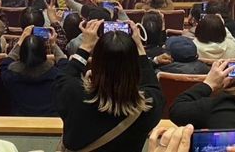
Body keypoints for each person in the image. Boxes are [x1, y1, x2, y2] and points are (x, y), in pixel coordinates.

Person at [53, 19, 163, 152]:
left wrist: (85, 47)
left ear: (95, 63)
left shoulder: (74, 95)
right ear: (134, 68)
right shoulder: (149, 106)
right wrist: (139, 47)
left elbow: (63, 79)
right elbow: (152, 85)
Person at [0, 25, 68, 116]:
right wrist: (53, 45)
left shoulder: (11, 76)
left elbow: (4, 65)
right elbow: (65, 64)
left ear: (21, 54)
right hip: (51, 120)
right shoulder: (57, 76)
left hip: (20, 121)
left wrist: (20, 42)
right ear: (44, 53)